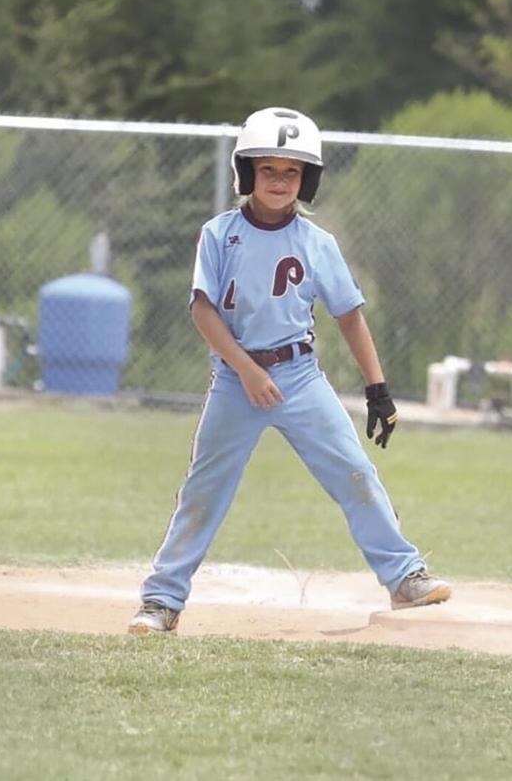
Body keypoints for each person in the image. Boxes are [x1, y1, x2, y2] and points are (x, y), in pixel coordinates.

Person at [128, 106, 450, 634]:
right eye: (269, 169)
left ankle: (403, 576)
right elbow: (202, 310)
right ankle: (161, 601)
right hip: (237, 382)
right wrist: (247, 371)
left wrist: (378, 390)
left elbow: (349, 315)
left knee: (355, 473)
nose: (280, 182)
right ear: (247, 172)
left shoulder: (317, 243)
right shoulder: (219, 233)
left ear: (309, 180)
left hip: (300, 378)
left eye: (293, 172)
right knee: (203, 492)